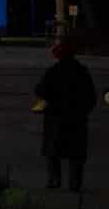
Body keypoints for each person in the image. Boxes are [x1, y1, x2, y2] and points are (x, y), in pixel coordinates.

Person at [35, 43, 96, 192]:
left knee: (53, 151)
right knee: (76, 154)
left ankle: (55, 181)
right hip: (77, 119)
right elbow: (91, 97)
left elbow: (40, 90)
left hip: (56, 118)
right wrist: (84, 111)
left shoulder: (53, 72)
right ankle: (75, 183)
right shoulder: (82, 72)